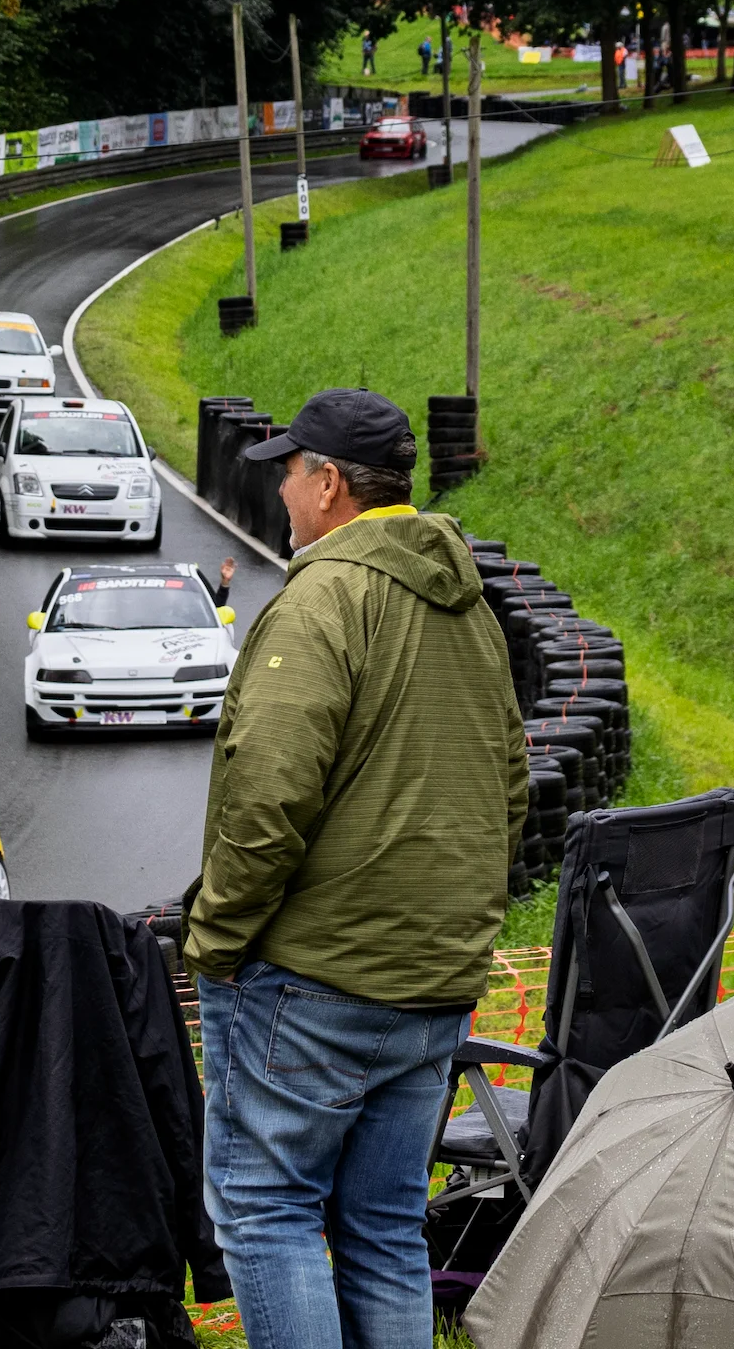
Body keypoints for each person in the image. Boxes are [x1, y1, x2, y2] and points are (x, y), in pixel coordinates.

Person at [186, 390, 527, 1349]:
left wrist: (214, 940)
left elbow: (267, 799)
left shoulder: (324, 599)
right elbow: (511, 791)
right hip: (435, 984)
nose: (283, 496)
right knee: (381, 1228)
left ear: (329, 483)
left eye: (290, 475)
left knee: (266, 1210)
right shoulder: (469, 608)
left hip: (314, 983)